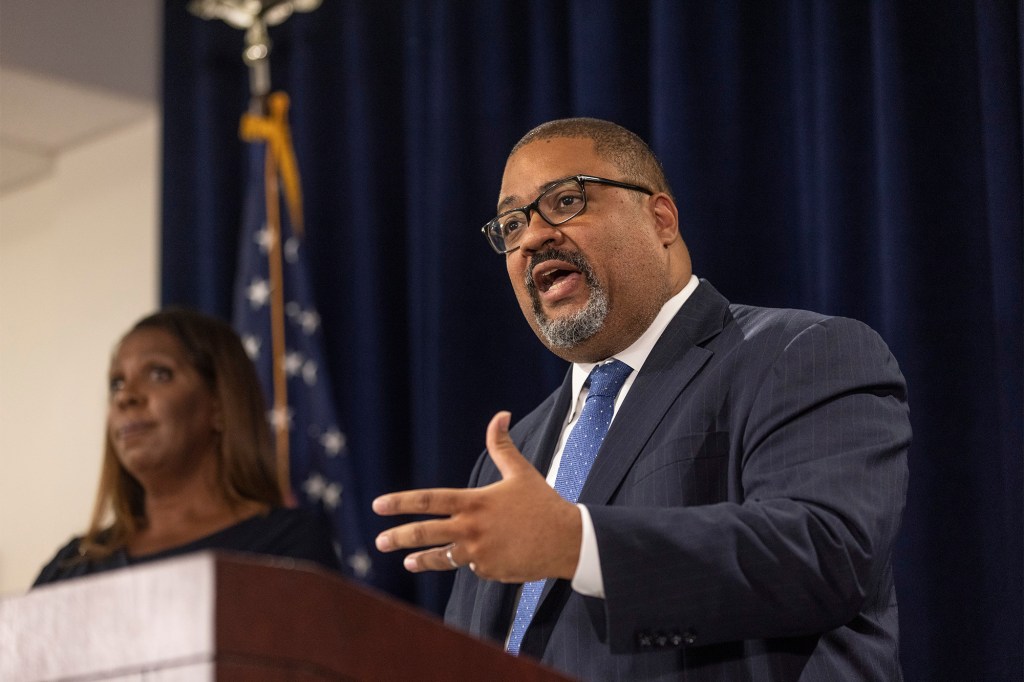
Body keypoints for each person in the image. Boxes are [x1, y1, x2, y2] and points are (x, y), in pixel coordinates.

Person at [373, 118, 911, 680]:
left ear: (661, 219)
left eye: (565, 200)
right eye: (511, 225)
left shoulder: (802, 355)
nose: (532, 238)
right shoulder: (515, 454)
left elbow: (824, 556)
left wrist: (574, 543)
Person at [33, 308, 340, 586]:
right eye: (116, 383)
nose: (126, 397)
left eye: (158, 374)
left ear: (219, 405)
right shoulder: (71, 564)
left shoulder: (285, 545)